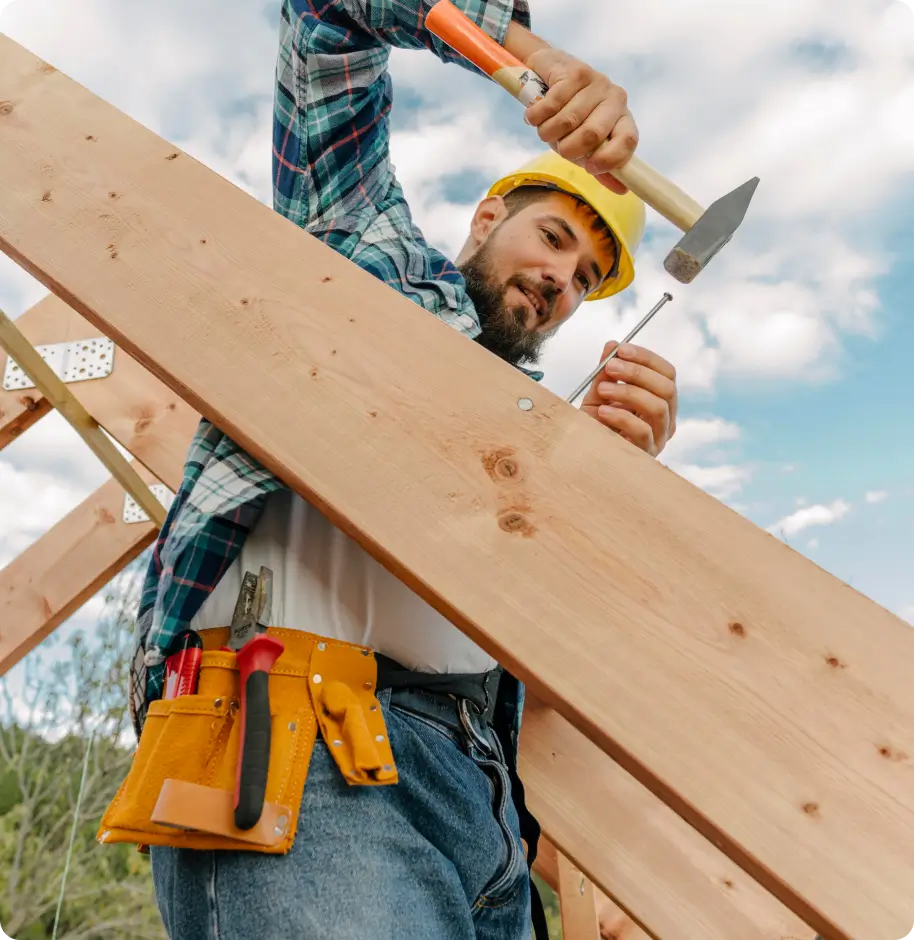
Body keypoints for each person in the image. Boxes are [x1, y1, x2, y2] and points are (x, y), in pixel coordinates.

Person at [125, 1, 679, 938]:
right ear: (489, 213)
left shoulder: (547, 440)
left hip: (489, 803)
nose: (561, 280)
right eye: (552, 240)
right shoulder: (361, 253)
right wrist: (531, 58)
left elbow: (571, 661)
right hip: (303, 742)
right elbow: (325, 18)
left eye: (586, 277)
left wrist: (611, 490)